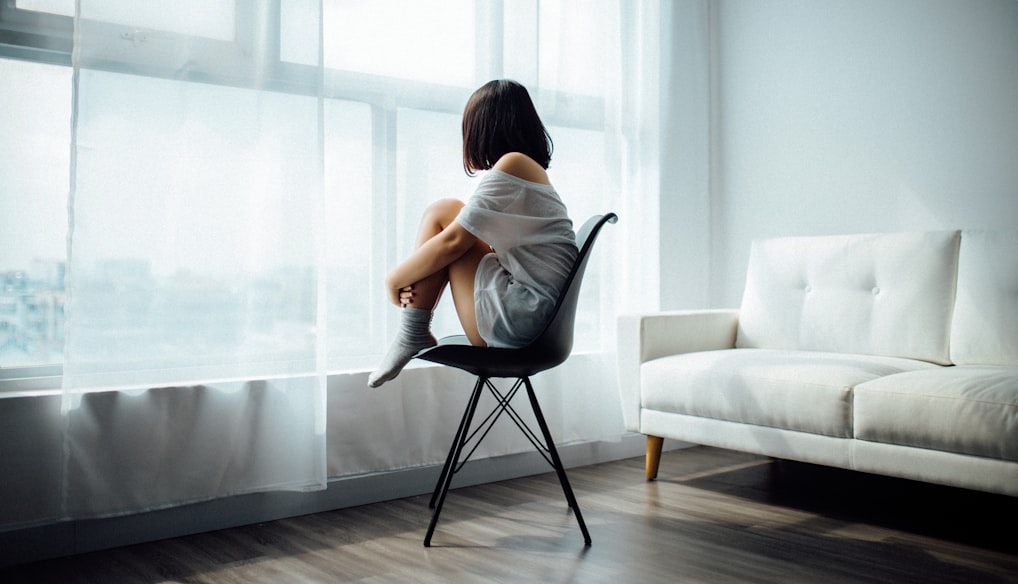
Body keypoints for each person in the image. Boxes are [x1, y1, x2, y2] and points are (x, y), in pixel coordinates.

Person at [368, 79, 578, 388]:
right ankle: (412, 332)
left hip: (523, 323)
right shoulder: (527, 171)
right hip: (535, 320)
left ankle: (411, 332)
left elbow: (454, 242)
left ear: (483, 128)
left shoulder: (514, 164)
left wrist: (393, 279)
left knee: (443, 215)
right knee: (448, 212)